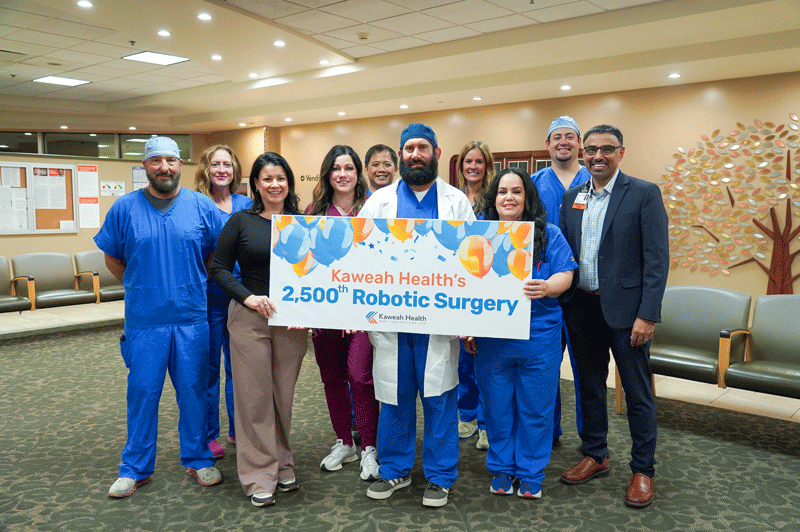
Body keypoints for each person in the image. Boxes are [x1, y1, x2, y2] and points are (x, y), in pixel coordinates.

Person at [97, 136, 224, 499]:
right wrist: (143, 286)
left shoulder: (201, 206)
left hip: (191, 319)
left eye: (170, 160)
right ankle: (135, 467)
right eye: (156, 161)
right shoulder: (124, 208)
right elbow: (113, 257)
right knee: (142, 394)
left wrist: (188, 282)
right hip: (145, 322)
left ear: (180, 165)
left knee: (194, 393)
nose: (164, 168)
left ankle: (199, 458)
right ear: (145, 167)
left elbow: (215, 253)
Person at [360, 123, 475, 508]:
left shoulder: (456, 201)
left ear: (436, 153)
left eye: (422, 147)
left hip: (439, 325)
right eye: (408, 148)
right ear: (400, 156)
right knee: (394, 396)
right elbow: (357, 256)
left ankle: (441, 476)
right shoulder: (378, 202)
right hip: (392, 322)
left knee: (440, 398)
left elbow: (473, 261)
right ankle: (395, 470)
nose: (415, 154)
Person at [558, 125, 669, 509]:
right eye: (591, 150)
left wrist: (648, 315)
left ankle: (643, 469)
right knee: (589, 386)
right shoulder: (573, 197)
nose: (597, 156)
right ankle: (596, 453)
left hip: (627, 314)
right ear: (583, 155)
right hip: (581, 308)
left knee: (637, 394)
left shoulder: (643, 193)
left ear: (621, 152)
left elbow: (657, 259)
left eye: (607, 149)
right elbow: (563, 253)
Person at [463, 167, 576, 499]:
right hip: (492, 341)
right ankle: (502, 468)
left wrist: (548, 286)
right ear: (493, 198)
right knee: (497, 409)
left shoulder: (549, 234)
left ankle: (530, 471)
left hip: (538, 340)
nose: (508, 197)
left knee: (535, 409)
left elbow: (566, 273)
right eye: (502, 191)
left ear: (527, 198)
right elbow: (465, 287)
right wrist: (467, 327)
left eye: (516, 191)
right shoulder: (479, 237)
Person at [210, 152, 308, 508]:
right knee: (253, 398)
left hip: (291, 322)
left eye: (280, 178)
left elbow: (319, 271)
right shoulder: (241, 221)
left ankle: (282, 463)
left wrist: (310, 309)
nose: (274, 184)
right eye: (266, 178)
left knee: (281, 396)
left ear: (289, 183)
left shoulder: (302, 224)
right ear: (255, 184)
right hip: (250, 317)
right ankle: (257, 475)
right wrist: (248, 298)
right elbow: (218, 268)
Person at [304, 145, 379, 481]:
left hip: (364, 316)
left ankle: (370, 448)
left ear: (357, 172)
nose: (343, 175)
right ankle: (344, 441)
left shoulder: (373, 211)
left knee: (360, 377)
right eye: (336, 168)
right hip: (326, 315)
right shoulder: (314, 212)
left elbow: (382, 267)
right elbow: (305, 268)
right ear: (328, 174)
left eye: (349, 168)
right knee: (331, 378)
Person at [529, 116, 591, 445]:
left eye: (570, 136)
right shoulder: (534, 183)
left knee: (586, 370)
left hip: (584, 291)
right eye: (557, 137)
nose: (563, 141)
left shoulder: (592, 180)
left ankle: (590, 439)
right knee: (544, 371)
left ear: (579, 144)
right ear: (548, 144)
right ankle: (547, 433)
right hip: (544, 291)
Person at [194, 145, 253, 459]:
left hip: (245, 298)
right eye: (215, 164)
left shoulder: (248, 204)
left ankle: (238, 427)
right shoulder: (196, 204)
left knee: (240, 369)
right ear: (206, 168)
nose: (221, 170)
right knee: (209, 370)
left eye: (227, 164)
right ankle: (209, 434)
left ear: (234, 169)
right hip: (211, 298)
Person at [453, 140, 496, 450]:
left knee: (484, 359)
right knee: (462, 361)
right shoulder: (452, 200)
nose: (473, 166)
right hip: (457, 287)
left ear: (487, 166)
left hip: (485, 287)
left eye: (479, 161)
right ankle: (466, 414)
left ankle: (484, 422)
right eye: (468, 161)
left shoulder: (493, 200)